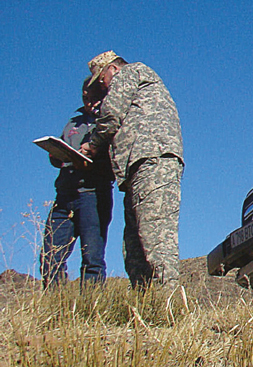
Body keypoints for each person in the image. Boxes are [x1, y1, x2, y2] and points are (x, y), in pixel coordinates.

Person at [81, 51, 184, 288]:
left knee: (156, 238)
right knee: (134, 245)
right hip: (137, 167)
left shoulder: (130, 72)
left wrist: (93, 145)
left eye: (101, 80)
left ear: (113, 69)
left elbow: (111, 114)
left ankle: (168, 307)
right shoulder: (135, 81)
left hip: (153, 160)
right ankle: (146, 304)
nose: (103, 87)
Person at [40, 77, 114, 288]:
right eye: (85, 97)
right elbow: (60, 152)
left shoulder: (109, 121)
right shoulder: (73, 123)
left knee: (92, 257)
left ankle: (89, 310)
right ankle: (55, 308)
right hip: (65, 195)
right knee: (50, 256)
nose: (89, 102)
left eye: (93, 97)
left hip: (93, 194)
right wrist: (56, 156)